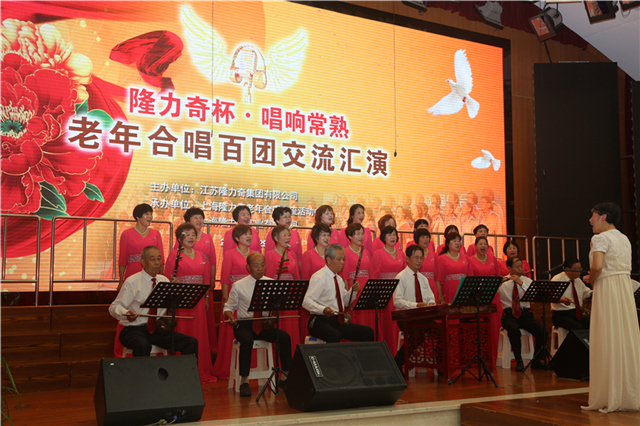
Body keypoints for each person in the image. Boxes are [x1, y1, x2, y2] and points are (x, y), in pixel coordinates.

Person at [582, 202, 640, 413]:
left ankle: (609, 394)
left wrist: (590, 278)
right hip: (623, 290)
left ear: (603, 216)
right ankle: (626, 392)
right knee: (623, 336)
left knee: (607, 336)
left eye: (593, 216)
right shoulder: (624, 238)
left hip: (607, 289)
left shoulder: (600, 238)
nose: (591, 220)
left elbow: (597, 266)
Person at [223, 253, 292, 397]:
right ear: (248, 267)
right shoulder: (239, 285)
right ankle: (244, 381)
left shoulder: (271, 283)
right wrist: (230, 317)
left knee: (284, 337)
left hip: (264, 325)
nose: (260, 268)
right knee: (247, 340)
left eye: (262, 265)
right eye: (256, 265)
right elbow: (228, 307)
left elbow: (276, 305)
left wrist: (272, 315)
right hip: (245, 325)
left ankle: (285, 377)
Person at [109, 246, 198, 357]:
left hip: (158, 330)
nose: (157, 263)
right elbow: (114, 307)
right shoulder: (132, 282)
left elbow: (172, 304)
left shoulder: (164, 280)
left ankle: (183, 369)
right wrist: (126, 313)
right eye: (152, 259)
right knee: (143, 345)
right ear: (143, 262)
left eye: (159, 259)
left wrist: (176, 291)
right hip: (134, 329)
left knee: (191, 342)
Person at [165, 223, 215, 382]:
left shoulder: (201, 255)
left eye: (193, 234)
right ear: (179, 238)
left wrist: (206, 298)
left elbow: (206, 278)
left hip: (198, 301)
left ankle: (200, 369)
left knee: (199, 333)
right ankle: (181, 371)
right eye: (187, 234)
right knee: (184, 331)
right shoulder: (174, 255)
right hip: (181, 300)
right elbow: (167, 278)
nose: (191, 237)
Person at [114, 203, 165, 357]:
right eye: (146, 214)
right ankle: (126, 344)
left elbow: (161, 259)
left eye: (151, 214)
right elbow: (123, 259)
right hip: (133, 272)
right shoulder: (127, 234)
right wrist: (121, 280)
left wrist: (162, 277)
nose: (150, 217)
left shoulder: (155, 233)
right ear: (137, 217)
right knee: (129, 306)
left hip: (152, 274)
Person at [212, 225, 260, 380]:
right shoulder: (230, 253)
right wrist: (225, 297)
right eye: (245, 234)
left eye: (250, 234)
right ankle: (228, 367)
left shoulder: (255, 254)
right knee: (235, 331)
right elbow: (225, 277)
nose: (249, 236)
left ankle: (252, 367)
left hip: (251, 296)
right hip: (235, 296)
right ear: (237, 238)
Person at [303, 244, 374, 343]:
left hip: (336, 321)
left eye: (343, 259)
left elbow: (345, 302)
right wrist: (323, 309)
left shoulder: (339, 279)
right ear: (328, 260)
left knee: (367, 332)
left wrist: (353, 291)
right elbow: (306, 302)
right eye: (339, 259)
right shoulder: (319, 277)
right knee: (335, 335)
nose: (342, 262)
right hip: (319, 320)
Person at [498, 257, 547, 372]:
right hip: (509, 315)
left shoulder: (527, 281)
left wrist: (521, 283)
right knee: (514, 330)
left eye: (521, 267)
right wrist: (498, 282)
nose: (520, 269)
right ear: (509, 268)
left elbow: (533, 296)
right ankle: (519, 360)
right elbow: (488, 292)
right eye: (517, 267)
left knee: (542, 331)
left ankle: (536, 360)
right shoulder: (503, 282)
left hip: (525, 315)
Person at [393, 245, 436, 371]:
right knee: (418, 334)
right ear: (407, 259)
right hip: (406, 317)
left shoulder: (423, 279)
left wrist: (431, 303)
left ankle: (439, 366)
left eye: (421, 258)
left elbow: (431, 298)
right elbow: (397, 302)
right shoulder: (401, 277)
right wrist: (416, 305)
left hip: (423, 317)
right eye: (416, 258)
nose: (419, 261)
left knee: (442, 333)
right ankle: (397, 363)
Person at [182, 207, 218, 352]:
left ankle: (207, 345)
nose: (199, 220)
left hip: (205, 276)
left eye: (201, 217)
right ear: (188, 221)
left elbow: (213, 260)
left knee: (206, 312)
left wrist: (212, 278)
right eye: (195, 217)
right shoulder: (183, 237)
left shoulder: (208, 237)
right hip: (189, 278)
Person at [264, 225, 301, 352]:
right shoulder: (269, 254)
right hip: (277, 295)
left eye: (289, 235)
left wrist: (298, 295)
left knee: (292, 324)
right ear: (276, 238)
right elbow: (268, 278)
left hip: (291, 295)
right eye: (284, 235)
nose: (287, 238)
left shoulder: (292, 254)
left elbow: (296, 277)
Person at [371, 226, 407, 353]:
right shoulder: (378, 253)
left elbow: (405, 273)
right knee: (388, 324)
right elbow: (375, 276)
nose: (392, 237)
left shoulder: (401, 254)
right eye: (389, 234)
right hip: (385, 293)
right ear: (383, 237)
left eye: (394, 234)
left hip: (399, 292)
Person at [468, 236, 501, 366]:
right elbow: (470, 280)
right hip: (479, 297)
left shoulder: (493, 259)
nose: (483, 246)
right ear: (475, 246)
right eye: (480, 244)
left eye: (485, 244)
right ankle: (479, 355)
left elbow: (498, 277)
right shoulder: (470, 260)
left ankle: (495, 355)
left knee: (494, 325)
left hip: (493, 296)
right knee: (479, 325)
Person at [340, 223, 375, 331]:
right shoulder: (345, 252)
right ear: (350, 236)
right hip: (354, 290)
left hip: (366, 290)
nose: (361, 236)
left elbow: (371, 274)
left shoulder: (366, 251)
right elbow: (345, 277)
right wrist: (348, 297)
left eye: (362, 233)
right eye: (357, 234)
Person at [550, 258, 591, 331]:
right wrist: (562, 300)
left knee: (591, 324)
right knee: (577, 328)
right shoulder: (557, 279)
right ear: (567, 269)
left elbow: (587, 293)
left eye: (580, 269)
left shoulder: (577, 280)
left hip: (577, 313)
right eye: (576, 270)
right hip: (561, 314)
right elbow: (550, 297)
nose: (579, 272)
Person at [435, 231, 469, 304]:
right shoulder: (441, 258)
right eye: (454, 241)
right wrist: (440, 296)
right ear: (447, 243)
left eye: (459, 241)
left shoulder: (466, 258)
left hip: (463, 291)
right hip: (448, 291)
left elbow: (470, 277)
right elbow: (438, 279)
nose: (457, 243)